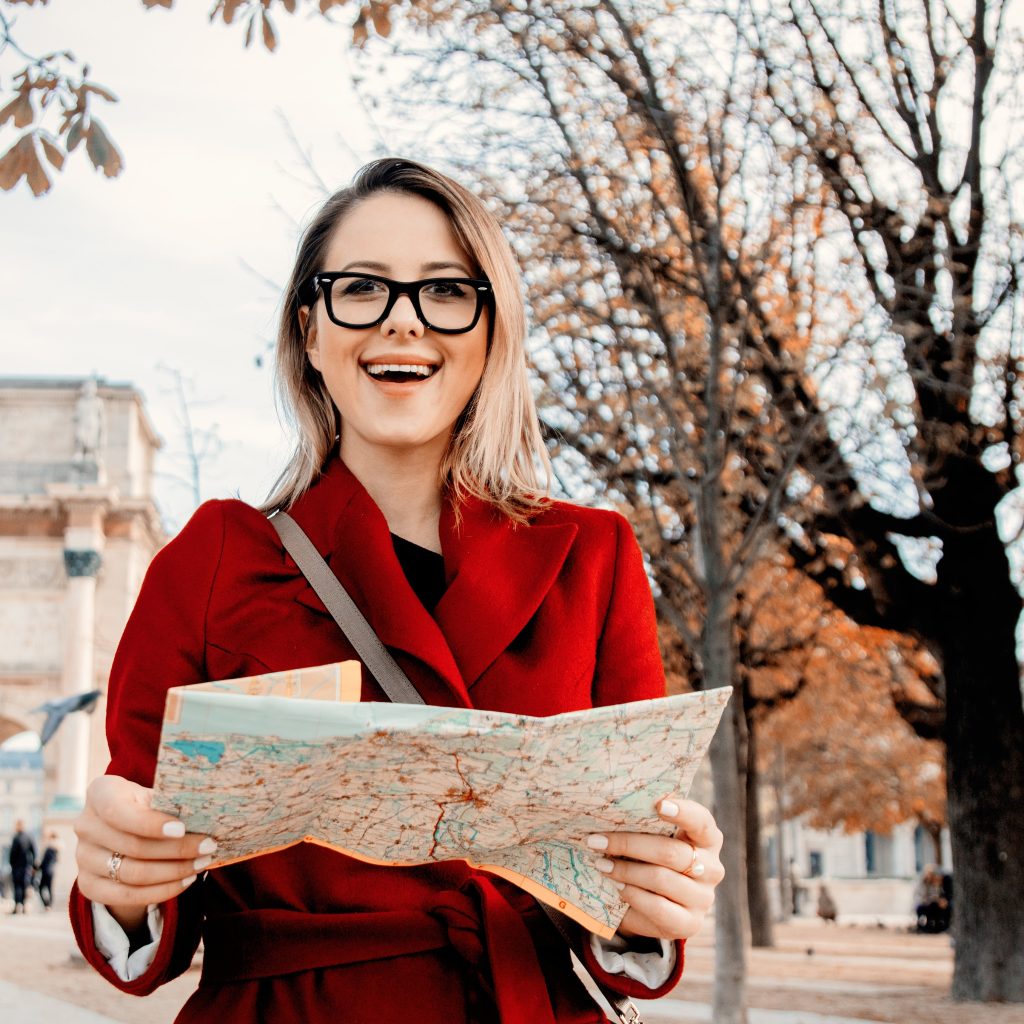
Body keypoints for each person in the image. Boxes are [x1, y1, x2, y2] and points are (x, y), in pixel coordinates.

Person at [69, 158, 726, 1023]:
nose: (403, 323)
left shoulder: (593, 557)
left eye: (446, 291)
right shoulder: (209, 560)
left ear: (491, 329)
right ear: (309, 330)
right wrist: (122, 878)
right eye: (361, 290)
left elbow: (627, 888)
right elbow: (147, 898)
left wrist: (650, 908)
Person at [8, 820, 36, 914]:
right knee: (24, 886)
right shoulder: (29, 837)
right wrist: (33, 866)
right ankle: (23, 906)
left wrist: (11, 864)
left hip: (17, 867)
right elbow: (34, 851)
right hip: (26, 866)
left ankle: (17, 906)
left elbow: (12, 854)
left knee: (17, 887)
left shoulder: (16, 837)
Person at [914, 865, 951, 934]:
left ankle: (938, 926)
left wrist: (940, 900)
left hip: (933, 904)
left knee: (937, 907)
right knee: (930, 907)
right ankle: (924, 927)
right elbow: (921, 896)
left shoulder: (936, 884)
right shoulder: (923, 884)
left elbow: (938, 895)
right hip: (924, 903)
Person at [37, 831, 60, 910]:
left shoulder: (49, 849)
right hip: (52, 871)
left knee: (40, 888)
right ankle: (49, 905)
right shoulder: (56, 850)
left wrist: (36, 868)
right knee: (49, 888)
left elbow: (44, 862)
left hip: (46, 871)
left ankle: (47, 904)